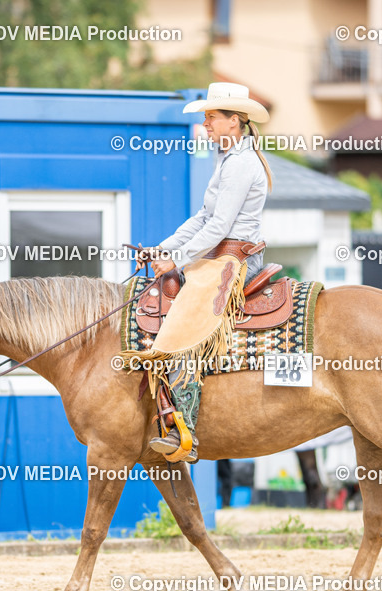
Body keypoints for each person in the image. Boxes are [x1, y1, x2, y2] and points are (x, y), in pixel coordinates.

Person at [122, 82, 274, 463]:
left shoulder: (240, 164)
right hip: (217, 255)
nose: (205, 124)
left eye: (212, 117)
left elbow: (219, 226)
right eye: (205, 118)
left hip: (233, 260)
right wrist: (167, 248)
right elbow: (203, 219)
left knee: (185, 325)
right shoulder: (229, 158)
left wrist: (175, 259)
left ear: (234, 121)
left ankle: (184, 430)